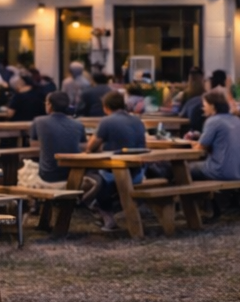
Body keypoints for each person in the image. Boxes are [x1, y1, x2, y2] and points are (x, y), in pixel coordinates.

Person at [84, 90, 148, 230]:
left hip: (114, 173)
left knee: (88, 176)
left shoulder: (107, 121)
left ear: (105, 106)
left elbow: (90, 147)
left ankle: (102, 210)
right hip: (138, 173)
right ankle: (107, 210)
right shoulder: (137, 121)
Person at [22, 90, 86, 189]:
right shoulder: (78, 124)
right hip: (73, 174)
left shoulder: (39, 121)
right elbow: (84, 147)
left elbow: (34, 146)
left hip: (48, 175)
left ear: (49, 105)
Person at [189, 89, 240, 182]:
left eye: (205, 105)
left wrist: (190, 145)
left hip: (221, 170)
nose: (203, 108)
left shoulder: (213, 121)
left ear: (212, 106)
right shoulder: (237, 120)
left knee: (184, 169)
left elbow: (200, 148)